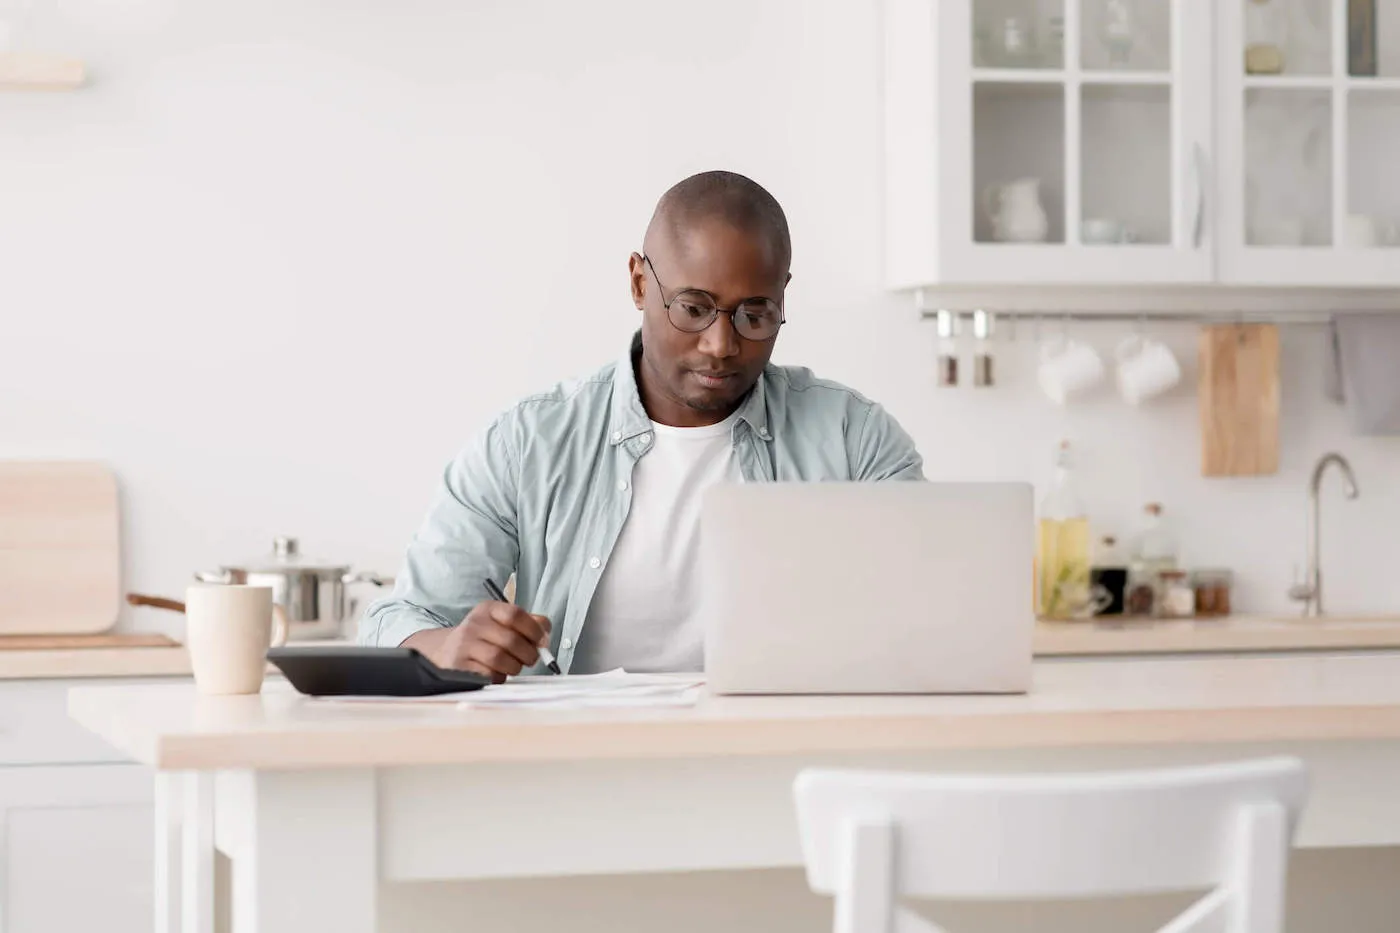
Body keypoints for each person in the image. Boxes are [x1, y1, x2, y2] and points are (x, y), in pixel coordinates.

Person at [360, 170, 924, 679]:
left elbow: (934, 608)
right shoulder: (528, 444)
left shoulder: (855, 440)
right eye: (693, 307)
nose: (721, 345)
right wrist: (448, 646)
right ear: (638, 283)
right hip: (577, 763)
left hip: (773, 756)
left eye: (755, 314)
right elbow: (397, 619)